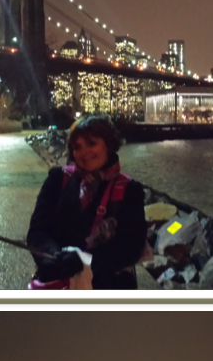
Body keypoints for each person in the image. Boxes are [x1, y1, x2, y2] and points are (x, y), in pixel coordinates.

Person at [27, 115, 147, 289]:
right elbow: (38, 231)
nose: (84, 153)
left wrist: (86, 260)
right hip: (59, 284)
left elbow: (131, 245)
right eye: (77, 147)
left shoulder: (130, 189)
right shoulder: (57, 179)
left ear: (109, 144)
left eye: (92, 143)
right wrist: (53, 256)